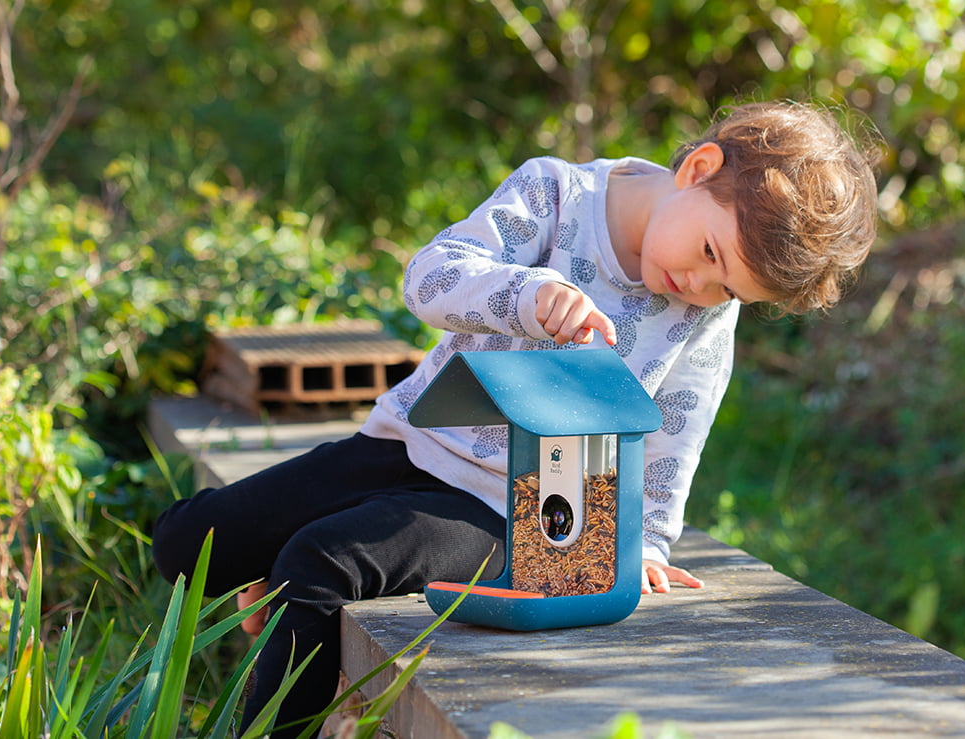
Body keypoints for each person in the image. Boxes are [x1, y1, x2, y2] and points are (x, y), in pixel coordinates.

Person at [152, 100, 881, 737]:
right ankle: (271, 578)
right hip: (408, 443)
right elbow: (429, 275)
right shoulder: (557, 195)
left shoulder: (703, 315)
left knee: (320, 561)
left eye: (727, 287)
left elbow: (675, 426)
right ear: (698, 167)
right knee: (187, 541)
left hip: (514, 511)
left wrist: (646, 542)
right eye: (709, 254)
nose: (698, 286)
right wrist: (525, 294)